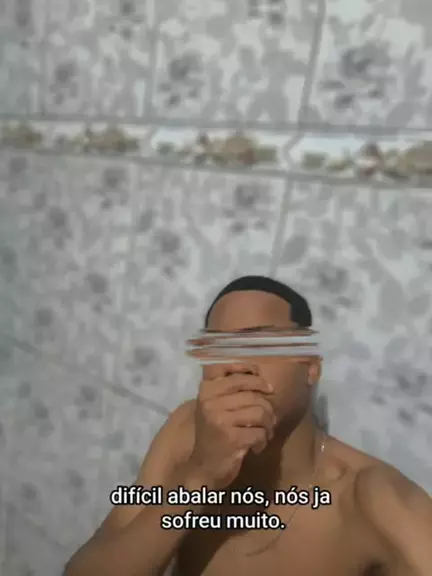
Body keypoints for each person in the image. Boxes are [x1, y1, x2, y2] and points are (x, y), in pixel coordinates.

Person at [64, 276, 432, 576]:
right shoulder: (186, 430)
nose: (235, 364)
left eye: (261, 343)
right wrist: (199, 476)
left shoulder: (371, 499)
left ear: (310, 367)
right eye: (218, 348)